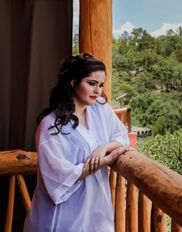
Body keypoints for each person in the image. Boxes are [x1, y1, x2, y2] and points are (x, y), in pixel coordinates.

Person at [24, 53, 130, 232]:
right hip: (63, 214)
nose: (98, 91)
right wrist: (104, 161)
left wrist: (103, 148)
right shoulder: (50, 126)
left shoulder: (100, 109)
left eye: (101, 85)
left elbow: (122, 135)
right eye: (91, 83)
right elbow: (58, 175)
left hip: (96, 207)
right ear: (73, 82)